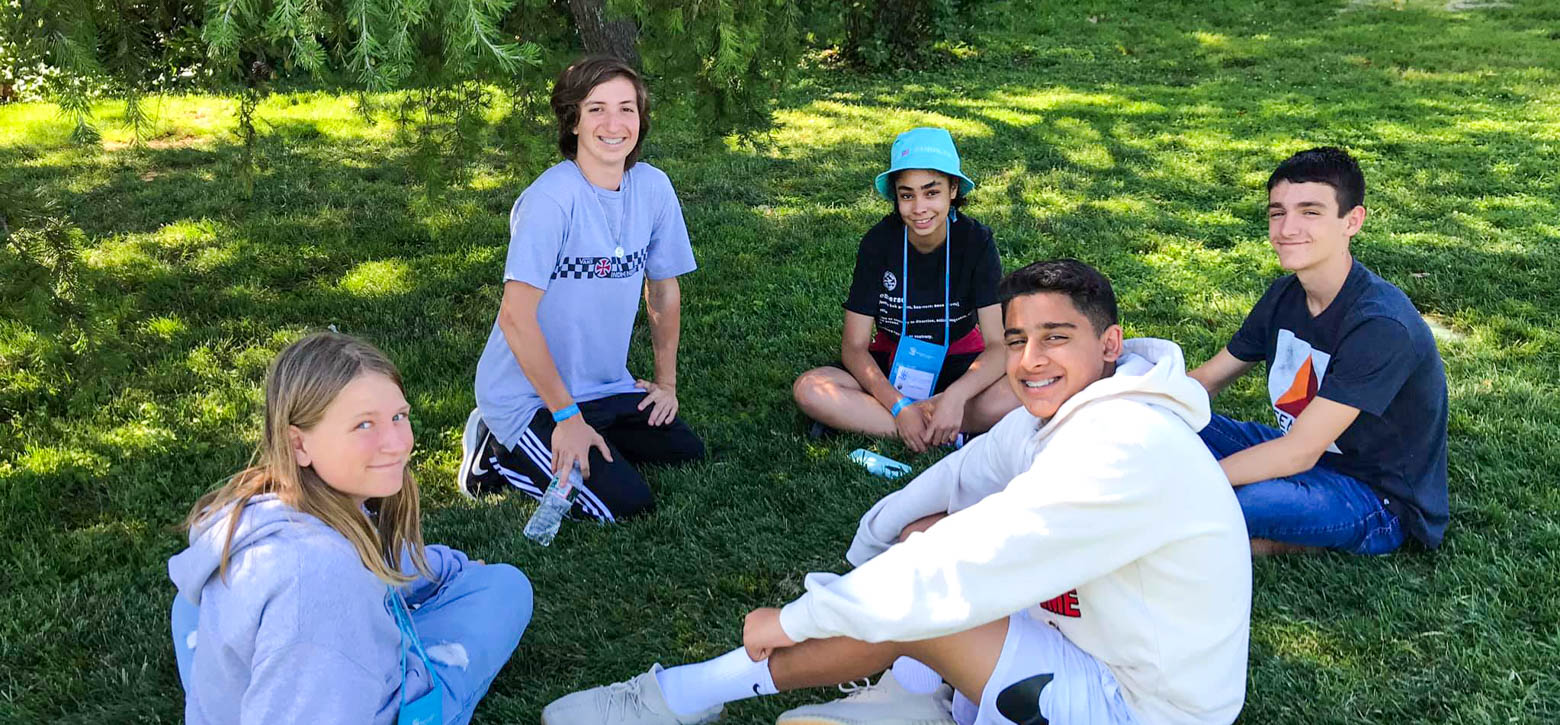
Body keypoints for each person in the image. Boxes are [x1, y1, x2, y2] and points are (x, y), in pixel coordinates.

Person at [543, 260, 1251, 725]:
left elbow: (965, 562)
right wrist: (874, 548)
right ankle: (911, 697)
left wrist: (794, 620)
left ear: (1110, 344)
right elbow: (958, 479)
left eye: (1056, 338)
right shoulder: (1076, 410)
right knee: (924, 535)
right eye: (1018, 340)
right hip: (1088, 641)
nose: (1030, 362)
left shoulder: (1125, 447)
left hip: (1140, 705)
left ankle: (684, 694)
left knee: (931, 593)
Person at [167, 331, 533, 724]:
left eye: (398, 417)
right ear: (298, 445)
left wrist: (448, 566)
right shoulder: (320, 580)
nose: (396, 443)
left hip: (283, 669)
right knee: (506, 589)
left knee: (190, 606)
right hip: (346, 685)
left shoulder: (270, 511)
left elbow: (382, 556)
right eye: (364, 425)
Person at [458, 56, 704, 520]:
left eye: (626, 109)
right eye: (596, 110)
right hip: (528, 394)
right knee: (627, 504)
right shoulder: (550, 201)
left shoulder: (653, 188)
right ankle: (493, 452)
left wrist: (666, 384)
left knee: (683, 449)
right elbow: (514, 317)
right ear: (572, 121)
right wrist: (566, 418)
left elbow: (664, 290)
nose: (614, 124)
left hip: (600, 384)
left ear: (641, 118)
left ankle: (588, 429)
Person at [1187, 147, 1449, 556]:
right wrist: (1142, 411)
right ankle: (1259, 534)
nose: (1287, 228)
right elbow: (1206, 381)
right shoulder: (1285, 295)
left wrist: (1195, 480)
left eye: (1310, 212)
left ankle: (1279, 538)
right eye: (1277, 212)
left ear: (1352, 221)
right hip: (1300, 454)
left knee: (1244, 503)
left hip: (1374, 496)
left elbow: (1300, 451)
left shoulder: (1380, 324)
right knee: (1171, 422)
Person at [792, 127, 1018, 453]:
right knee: (810, 389)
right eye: (907, 195)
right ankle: (941, 430)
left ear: (953, 189)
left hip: (962, 364)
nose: (919, 208)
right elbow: (854, 347)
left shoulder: (976, 241)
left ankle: (914, 420)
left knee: (1021, 386)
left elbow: (998, 346)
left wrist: (955, 396)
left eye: (931, 192)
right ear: (896, 197)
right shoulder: (878, 243)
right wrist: (899, 405)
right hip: (893, 366)